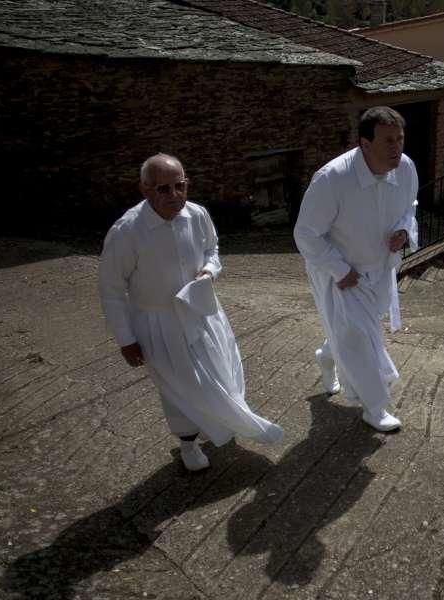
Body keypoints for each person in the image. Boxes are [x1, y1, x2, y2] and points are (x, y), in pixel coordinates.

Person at [99, 154, 283, 471]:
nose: (174, 196)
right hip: (159, 321)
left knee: (223, 369)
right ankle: (187, 444)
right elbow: (111, 289)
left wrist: (210, 271)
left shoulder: (197, 214)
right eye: (163, 189)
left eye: (179, 186)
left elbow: (212, 248)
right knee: (179, 385)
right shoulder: (127, 231)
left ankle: (220, 420)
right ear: (144, 189)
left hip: (203, 312)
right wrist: (125, 339)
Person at [294, 106, 419, 432]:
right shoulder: (333, 178)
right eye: (388, 141)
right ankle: (374, 407)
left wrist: (404, 231)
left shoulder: (405, 168)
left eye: (400, 139)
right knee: (359, 337)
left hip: (381, 269)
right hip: (341, 274)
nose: (397, 148)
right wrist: (338, 269)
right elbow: (305, 233)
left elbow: (409, 207)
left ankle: (326, 354)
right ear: (365, 144)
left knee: (357, 331)